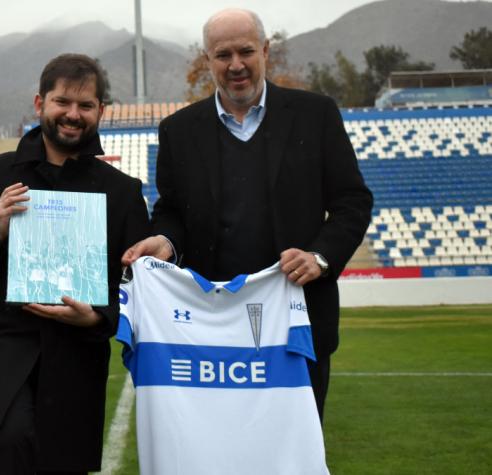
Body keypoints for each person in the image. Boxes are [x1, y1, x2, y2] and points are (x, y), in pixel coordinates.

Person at [122, 8, 373, 421]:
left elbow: (352, 201)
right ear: (207, 60)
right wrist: (164, 241)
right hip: (210, 328)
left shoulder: (316, 114)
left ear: (265, 51)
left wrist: (320, 257)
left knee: (292, 454)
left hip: (298, 324)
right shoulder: (178, 130)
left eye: (245, 51)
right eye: (223, 55)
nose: (235, 65)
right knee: (216, 452)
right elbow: (171, 210)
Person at [0, 54, 150, 474]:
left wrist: (98, 318)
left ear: (101, 111)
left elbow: (138, 285)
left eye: (86, 105)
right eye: (62, 101)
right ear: (39, 103)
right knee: (10, 443)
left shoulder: (121, 192)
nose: (73, 114)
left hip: (74, 366)